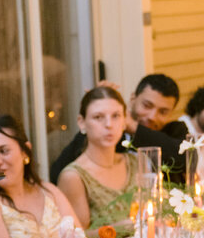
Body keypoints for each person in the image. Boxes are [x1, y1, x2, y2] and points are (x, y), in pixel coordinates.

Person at [49, 73, 186, 184]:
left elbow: (185, 159)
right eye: (147, 105)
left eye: (163, 112)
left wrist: (133, 127)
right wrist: (94, 117)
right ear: (132, 99)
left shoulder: (175, 131)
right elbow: (58, 174)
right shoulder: (110, 133)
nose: (152, 116)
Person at [57, 85, 139, 238]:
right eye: (98, 117)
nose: (109, 124)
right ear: (82, 123)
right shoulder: (74, 176)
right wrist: (119, 229)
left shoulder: (135, 162)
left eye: (115, 116)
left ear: (124, 121)